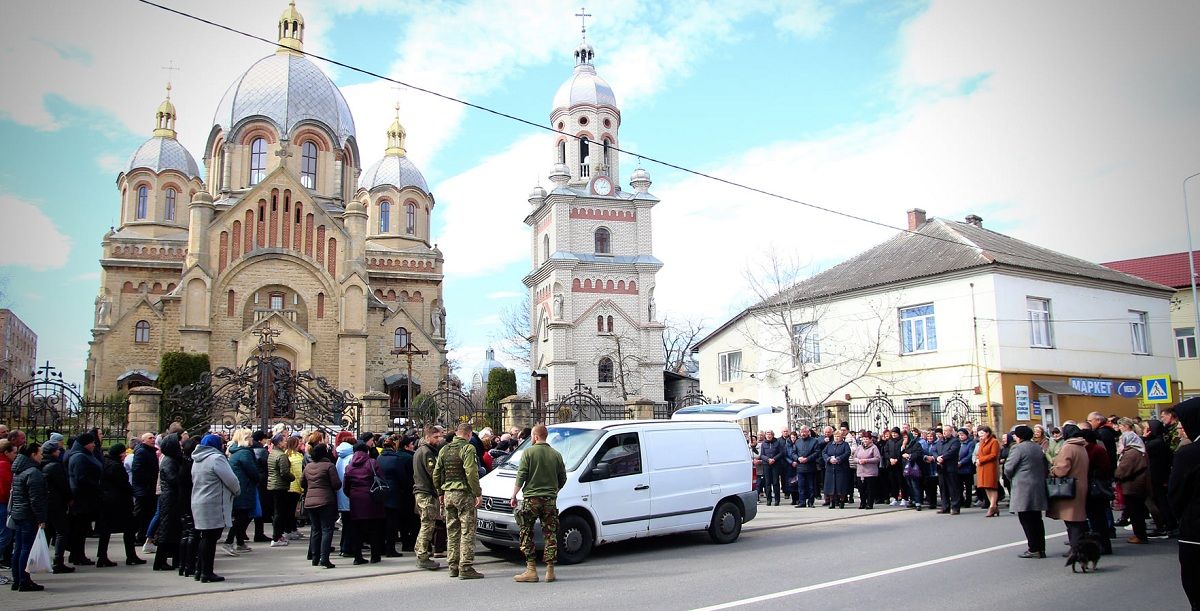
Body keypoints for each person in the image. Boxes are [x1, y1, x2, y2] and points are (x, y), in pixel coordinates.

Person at [511, 424, 567, 583]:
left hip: (531, 499)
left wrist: (514, 495)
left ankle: (531, 569)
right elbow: (563, 478)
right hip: (549, 500)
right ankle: (550, 570)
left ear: (535, 436)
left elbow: (521, 475)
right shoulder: (556, 455)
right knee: (550, 534)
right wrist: (554, 491)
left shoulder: (528, 452)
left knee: (526, 531)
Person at [433, 422, 484, 579]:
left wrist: (440, 492)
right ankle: (465, 567)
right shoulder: (468, 448)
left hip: (448, 494)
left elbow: (436, 473)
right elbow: (471, 472)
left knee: (452, 531)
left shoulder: (445, 449)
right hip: (464, 494)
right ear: (469, 434)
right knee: (467, 530)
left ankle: (453, 566)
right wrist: (477, 493)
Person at [191, 434, 240, 583]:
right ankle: (207, 572)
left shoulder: (197, 459)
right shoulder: (216, 458)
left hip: (199, 500)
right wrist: (237, 491)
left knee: (205, 537)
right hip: (214, 502)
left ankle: (200, 570)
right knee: (211, 538)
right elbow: (231, 480)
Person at [1168, 398, 1200, 609]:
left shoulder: (1188, 454)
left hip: (1195, 534)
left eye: (1182, 421)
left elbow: (1176, 495)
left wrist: (1183, 518)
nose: (1180, 426)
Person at [1004, 425, 1049, 558]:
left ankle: (1033, 548)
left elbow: (1009, 467)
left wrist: (1011, 477)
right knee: (1037, 519)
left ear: (1019, 436)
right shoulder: (1037, 447)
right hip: (1037, 485)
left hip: (1023, 486)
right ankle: (1041, 548)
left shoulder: (1017, 448)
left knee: (1026, 519)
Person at [9, 443, 47, 592]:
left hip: (18, 513)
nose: (42, 456)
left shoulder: (19, 470)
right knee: (26, 549)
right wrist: (41, 519)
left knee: (19, 548)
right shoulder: (33, 472)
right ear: (33, 454)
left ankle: (17, 579)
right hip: (28, 515)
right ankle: (24, 581)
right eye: (40, 453)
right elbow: (36, 499)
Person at [1048, 424, 1089, 555]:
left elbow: (1061, 470)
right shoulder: (1081, 446)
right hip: (1081, 484)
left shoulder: (1068, 447)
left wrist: (1053, 469)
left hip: (1070, 487)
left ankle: (1075, 548)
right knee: (1077, 518)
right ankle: (1078, 547)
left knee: (1072, 520)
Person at [343, 442, 386, 565]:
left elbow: (346, 486)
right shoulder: (372, 463)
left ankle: (358, 557)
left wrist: (352, 494)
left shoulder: (349, 467)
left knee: (357, 530)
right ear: (366, 451)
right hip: (372, 500)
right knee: (374, 529)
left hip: (356, 501)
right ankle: (375, 556)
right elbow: (381, 479)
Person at [301, 442, 340, 569]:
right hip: (326, 501)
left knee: (315, 529)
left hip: (310, 501)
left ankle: (315, 557)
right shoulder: (329, 466)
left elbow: (302, 483)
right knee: (327, 529)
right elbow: (336, 484)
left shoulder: (308, 466)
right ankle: (324, 558)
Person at [66, 432, 102, 566]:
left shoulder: (82, 455)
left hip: (84, 496)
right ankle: (77, 555)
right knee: (79, 528)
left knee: (81, 528)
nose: (93, 445)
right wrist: (96, 485)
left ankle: (77, 554)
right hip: (82, 497)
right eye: (91, 442)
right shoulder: (80, 457)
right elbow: (81, 478)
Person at [224, 428, 259, 555]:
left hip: (240, 486)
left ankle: (240, 542)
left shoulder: (235, 452)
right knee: (242, 516)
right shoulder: (245, 453)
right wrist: (258, 478)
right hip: (245, 487)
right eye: (250, 437)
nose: (252, 439)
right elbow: (252, 471)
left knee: (240, 515)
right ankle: (229, 541)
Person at [412, 425, 443, 571]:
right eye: (435, 437)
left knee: (426, 524)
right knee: (428, 525)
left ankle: (420, 551)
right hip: (426, 493)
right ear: (427, 437)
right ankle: (422, 556)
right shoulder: (427, 452)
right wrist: (441, 491)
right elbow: (434, 474)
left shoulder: (421, 451)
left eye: (439, 437)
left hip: (422, 492)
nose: (438, 439)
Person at [38, 441, 71, 574]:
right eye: (57, 450)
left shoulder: (41, 464)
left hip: (46, 502)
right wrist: (69, 498)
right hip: (56, 502)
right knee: (61, 531)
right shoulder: (55, 466)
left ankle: (43, 559)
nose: (59, 451)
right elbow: (63, 485)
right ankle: (58, 561)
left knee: (47, 531)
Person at [1080, 429, 1114, 555]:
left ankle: (1103, 546)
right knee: (1098, 519)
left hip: (1096, 489)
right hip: (1096, 488)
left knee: (1097, 520)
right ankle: (1102, 545)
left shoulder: (1094, 450)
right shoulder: (1097, 449)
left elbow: (1102, 468)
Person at [1115, 430, 1152, 545]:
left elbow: (1122, 471)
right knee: (1137, 511)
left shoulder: (1132, 453)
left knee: (1135, 512)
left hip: (1132, 486)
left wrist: (1116, 474)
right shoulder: (1140, 451)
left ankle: (1140, 535)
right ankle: (1139, 534)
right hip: (1139, 484)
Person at [153, 434, 183, 571]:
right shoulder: (169, 461)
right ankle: (160, 561)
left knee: (174, 529)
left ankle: (176, 559)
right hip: (170, 498)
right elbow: (173, 479)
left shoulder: (172, 459)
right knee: (167, 529)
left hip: (172, 497)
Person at [376, 435, 408, 557]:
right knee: (392, 522)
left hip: (381, 492)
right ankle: (390, 548)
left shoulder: (379, 458)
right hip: (393, 493)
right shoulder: (396, 459)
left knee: (382, 522)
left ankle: (381, 547)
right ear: (394, 446)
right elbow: (402, 477)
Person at [1144, 420, 1177, 537]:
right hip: (1160, 475)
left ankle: (1167, 525)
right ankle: (1168, 524)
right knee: (1161, 501)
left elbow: (1142, 449)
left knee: (1161, 502)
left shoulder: (1155, 443)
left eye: (1146, 428)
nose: (1144, 430)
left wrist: (1143, 438)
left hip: (1157, 476)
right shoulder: (1160, 441)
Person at [130, 432, 158, 548]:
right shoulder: (142, 452)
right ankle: (138, 535)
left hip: (147, 488)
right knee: (141, 513)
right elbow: (137, 470)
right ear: (143, 440)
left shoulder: (150, 451)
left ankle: (142, 535)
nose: (153, 440)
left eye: (154, 438)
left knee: (147, 513)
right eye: (150, 438)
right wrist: (149, 480)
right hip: (143, 488)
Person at [177, 437, 200, 578]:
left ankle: (183, 565)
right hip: (190, 499)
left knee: (186, 532)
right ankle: (189, 565)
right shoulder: (191, 464)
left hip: (183, 499)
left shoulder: (183, 462)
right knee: (192, 532)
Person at [266, 434, 294, 547]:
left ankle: (278, 535)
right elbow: (284, 472)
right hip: (280, 486)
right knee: (280, 513)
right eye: (284, 441)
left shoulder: (272, 453)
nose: (286, 443)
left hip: (272, 485)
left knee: (278, 512)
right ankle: (276, 537)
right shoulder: (281, 455)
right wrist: (292, 477)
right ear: (279, 443)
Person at [249, 431, 272, 543]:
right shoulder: (262, 451)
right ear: (261, 440)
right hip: (262, 481)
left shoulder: (249, 450)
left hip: (253, 481)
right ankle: (259, 533)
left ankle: (242, 532)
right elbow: (267, 466)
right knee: (260, 508)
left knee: (252, 508)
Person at [822, 430, 852, 509]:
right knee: (831, 486)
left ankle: (841, 501)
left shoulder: (845, 445)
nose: (836, 438)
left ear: (842, 437)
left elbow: (847, 453)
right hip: (830, 468)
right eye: (835, 436)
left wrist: (838, 459)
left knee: (841, 486)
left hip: (841, 468)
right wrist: (829, 459)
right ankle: (832, 501)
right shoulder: (829, 444)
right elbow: (824, 453)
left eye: (838, 436)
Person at [975, 425, 1001, 516]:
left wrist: (981, 460)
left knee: (991, 486)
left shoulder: (994, 441)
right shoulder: (982, 442)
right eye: (979, 435)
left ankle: (992, 506)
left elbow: (994, 455)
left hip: (990, 467)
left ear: (987, 433)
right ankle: (993, 506)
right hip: (982, 467)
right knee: (986, 487)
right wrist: (977, 459)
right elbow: (979, 453)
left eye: (982, 434)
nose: (980, 436)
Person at [936, 425, 962, 514]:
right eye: (943, 430)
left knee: (953, 488)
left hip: (950, 468)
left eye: (946, 431)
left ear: (951, 432)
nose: (944, 432)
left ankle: (955, 507)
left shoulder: (955, 441)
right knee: (943, 488)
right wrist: (937, 457)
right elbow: (934, 450)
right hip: (941, 468)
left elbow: (952, 452)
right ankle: (945, 506)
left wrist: (942, 457)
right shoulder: (940, 441)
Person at [853, 431, 881, 509]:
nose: (865, 440)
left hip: (870, 472)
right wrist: (858, 461)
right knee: (861, 489)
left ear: (870, 439)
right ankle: (862, 503)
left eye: (867, 439)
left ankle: (869, 503)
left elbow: (877, 458)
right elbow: (854, 457)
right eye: (864, 439)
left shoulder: (874, 447)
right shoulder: (859, 447)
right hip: (860, 472)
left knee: (870, 489)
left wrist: (867, 460)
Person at [900, 427, 925, 511]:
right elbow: (900, 454)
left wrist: (909, 456)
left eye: (906, 437)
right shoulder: (904, 445)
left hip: (913, 467)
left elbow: (918, 454)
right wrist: (903, 446)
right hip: (906, 468)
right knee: (909, 485)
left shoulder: (916, 444)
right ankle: (913, 500)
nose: (904, 439)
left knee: (915, 485)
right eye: (903, 437)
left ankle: (918, 502)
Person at [758, 431, 785, 506]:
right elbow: (762, 455)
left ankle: (777, 500)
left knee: (775, 482)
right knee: (767, 483)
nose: (768, 436)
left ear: (772, 435)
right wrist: (768, 459)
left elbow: (781, 453)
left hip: (775, 464)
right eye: (767, 434)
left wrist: (774, 459)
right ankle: (768, 499)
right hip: (766, 464)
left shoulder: (777, 442)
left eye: (770, 434)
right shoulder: (763, 443)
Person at [0, 439, 14, 571]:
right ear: (6, 452)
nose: (15, 455)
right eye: (13, 452)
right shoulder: (4, 464)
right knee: (5, 535)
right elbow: (6, 487)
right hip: (2, 503)